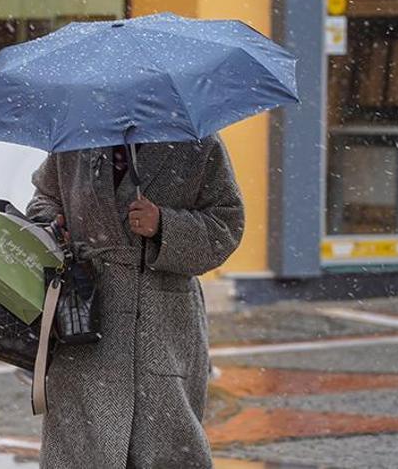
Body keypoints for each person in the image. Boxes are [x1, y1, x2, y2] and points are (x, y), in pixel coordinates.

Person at [26, 135, 245, 469]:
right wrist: (52, 226)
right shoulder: (79, 136)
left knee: (167, 445)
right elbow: (45, 198)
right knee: (80, 448)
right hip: (82, 314)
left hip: (162, 322)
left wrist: (164, 224)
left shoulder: (197, 143)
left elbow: (226, 225)